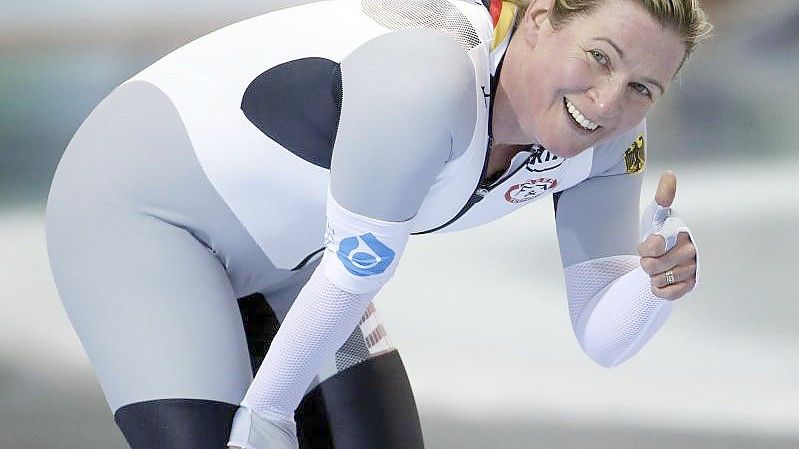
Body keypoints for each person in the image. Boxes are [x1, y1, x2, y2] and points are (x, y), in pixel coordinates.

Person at [45, 0, 712, 448]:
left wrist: (660, 281)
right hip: (146, 217)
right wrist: (264, 415)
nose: (607, 100)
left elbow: (603, 335)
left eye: (642, 87)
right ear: (538, 19)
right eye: (599, 56)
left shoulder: (607, 144)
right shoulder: (428, 77)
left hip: (302, 263)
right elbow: (354, 272)